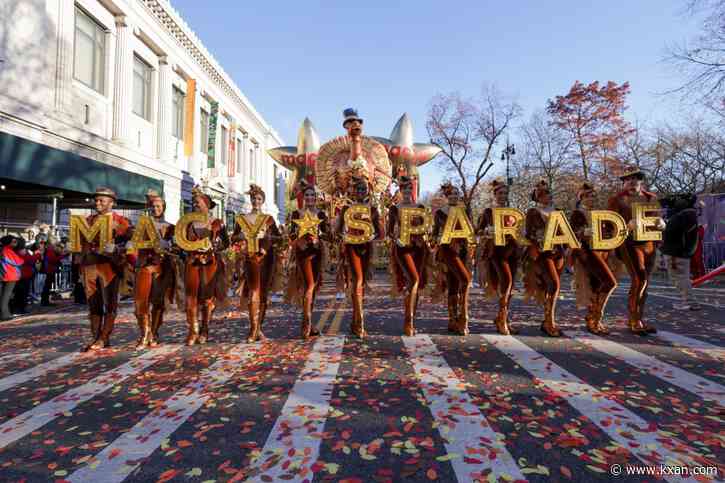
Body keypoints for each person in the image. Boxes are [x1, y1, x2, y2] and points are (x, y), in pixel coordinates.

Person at [608, 168, 666, 335]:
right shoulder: (617, 200)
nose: (632, 182)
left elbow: (656, 219)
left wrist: (661, 223)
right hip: (629, 244)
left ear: (641, 181)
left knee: (644, 282)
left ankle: (638, 318)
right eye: (628, 179)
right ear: (624, 182)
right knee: (639, 278)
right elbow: (609, 224)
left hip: (649, 244)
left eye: (636, 179)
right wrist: (625, 226)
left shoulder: (651, 198)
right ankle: (634, 320)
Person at [78, 187, 132, 351]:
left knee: (110, 303)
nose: (98, 203)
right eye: (96, 200)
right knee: (93, 303)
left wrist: (116, 249)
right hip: (89, 265)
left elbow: (130, 245)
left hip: (109, 266)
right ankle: (96, 337)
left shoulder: (122, 222)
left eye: (102, 200)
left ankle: (104, 336)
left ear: (112, 203)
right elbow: (80, 241)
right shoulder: (88, 220)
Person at [336, 176, 383, 338]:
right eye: (358, 189)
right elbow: (338, 230)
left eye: (364, 189)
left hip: (366, 247)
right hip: (351, 247)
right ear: (353, 191)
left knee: (362, 283)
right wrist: (343, 235)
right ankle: (360, 322)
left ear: (368, 190)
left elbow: (379, 232)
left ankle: (355, 320)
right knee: (358, 280)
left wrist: (373, 236)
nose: (361, 191)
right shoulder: (346, 208)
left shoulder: (373, 209)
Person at [233, 184, 281, 343]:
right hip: (250, 257)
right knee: (253, 290)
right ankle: (253, 330)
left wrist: (266, 243)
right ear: (251, 200)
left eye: (259, 199)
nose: (256, 201)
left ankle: (258, 327)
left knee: (264, 294)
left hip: (266, 258)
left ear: (263, 201)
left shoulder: (269, 219)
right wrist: (241, 239)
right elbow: (233, 238)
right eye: (254, 198)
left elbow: (278, 237)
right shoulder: (242, 219)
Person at [570, 182, 618, 334]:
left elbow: (611, 231)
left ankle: (592, 319)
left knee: (597, 285)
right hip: (587, 252)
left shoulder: (601, 213)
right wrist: (584, 232)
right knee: (610, 282)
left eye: (594, 196)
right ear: (582, 198)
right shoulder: (577, 213)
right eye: (588, 196)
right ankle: (596, 317)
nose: (592, 198)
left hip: (602, 251)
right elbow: (572, 234)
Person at [183, 186, 228, 346]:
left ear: (207, 205)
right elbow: (181, 243)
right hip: (192, 262)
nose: (196, 204)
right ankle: (193, 330)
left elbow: (225, 244)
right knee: (191, 297)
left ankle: (205, 328)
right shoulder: (187, 223)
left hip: (210, 262)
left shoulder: (217, 223)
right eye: (194, 202)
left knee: (207, 297)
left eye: (199, 202)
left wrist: (214, 245)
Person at [133, 190, 176, 349]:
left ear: (163, 207)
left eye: (158, 206)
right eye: (153, 206)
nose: (155, 208)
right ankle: (144, 333)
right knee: (140, 301)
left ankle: (154, 333)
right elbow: (132, 243)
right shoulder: (141, 226)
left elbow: (178, 248)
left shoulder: (171, 227)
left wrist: (170, 245)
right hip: (144, 266)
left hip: (162, 267)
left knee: (158, 302)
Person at [287, 181, 330, 339]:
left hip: (317, 252)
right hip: (303, 252)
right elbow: (291, 234)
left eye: (313, 195)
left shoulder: (321, 214)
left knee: (313, 287)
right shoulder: (296, 214)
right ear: (303, 197)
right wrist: (300, 241)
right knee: (310, 285)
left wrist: (319, 238)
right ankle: (306, 324)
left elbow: (328, 234)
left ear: (316, 197)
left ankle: (309, 324)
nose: (310, 197)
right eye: (307, 195)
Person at [476, 178, 520, 335]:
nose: (503, 196)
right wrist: (487, 231)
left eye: (505, 193)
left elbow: (519, 231)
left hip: (513, 252)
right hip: (496, 252)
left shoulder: (513, 212)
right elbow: (477, 231)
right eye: (500, 193)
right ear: (495, 195)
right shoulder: (488, 212)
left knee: (510, 286)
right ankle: (502, 319)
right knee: (506, 282)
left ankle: (503, 319)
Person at [388, 176, 430, 336]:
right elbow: (390, 230)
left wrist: (426, 234)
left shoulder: (419, 207)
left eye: (409, 189)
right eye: (404, 189)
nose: (407, 192)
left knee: (416, 284)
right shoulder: (394, 208)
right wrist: (396, 237)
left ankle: (411, 318)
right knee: (414, 279)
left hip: (419, 249)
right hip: (402, 248)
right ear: (400, 190)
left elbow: (425, 226)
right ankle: (408, 320)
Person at [524, 180, 566, 337]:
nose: (546, 196)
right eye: (541, 194)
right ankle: (550, 322)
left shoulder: (558, 211)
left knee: (553, 287)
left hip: (558, 252)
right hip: (542, 253)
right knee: (554, 284)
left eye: (547, 193)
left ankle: (546, 320)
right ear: (536, 197)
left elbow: (565, 230)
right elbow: (528, 233)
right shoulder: (533, 212)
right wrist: (538, 238)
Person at [432, 182, 473, 336]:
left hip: (463, 250)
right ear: (447, 196)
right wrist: (436, 239)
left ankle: (452, 320)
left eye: (457, 194)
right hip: (447, 250)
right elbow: (434, 234)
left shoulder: (464, 211)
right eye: (452, 194)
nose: (455, 196)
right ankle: (463, 317)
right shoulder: (440, 213)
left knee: (454, 284)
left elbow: (471, 229)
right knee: (466, 279)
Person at [661, 195, 701, 311]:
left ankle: (690, 302)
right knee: (681, 278)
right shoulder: (689, 215)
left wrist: (664, 223)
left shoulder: (683, 216)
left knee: (680, 278)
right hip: (680, 252)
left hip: (676, 253)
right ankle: (688, 301)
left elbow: (670, 229)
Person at [11, 238, 37, 315]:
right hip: (23, 275)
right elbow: (30, 260)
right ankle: (20, 309)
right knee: (22, 293)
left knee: (19, 293)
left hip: (19, 274)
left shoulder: (15, 251)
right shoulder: (22, 252)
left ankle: (18, 308)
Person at [39, 239, 67, 306]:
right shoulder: (50, 250)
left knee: (47, 286)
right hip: (49, 270)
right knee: (47, 286)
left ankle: (45, 301)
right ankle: (44, 301)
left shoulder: (50, 250)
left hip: (50, 269)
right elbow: (53, 260)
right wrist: (63, 256)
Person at [1, 235, 23, 321]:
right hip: (10, 276)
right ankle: (5, 314)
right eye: (14, 242)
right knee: (6, 296)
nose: (16, 243)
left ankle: (5, 313)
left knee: (4, 296)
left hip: (6, 275)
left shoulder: (4, 250)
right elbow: (19, 261)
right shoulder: (8, 251)